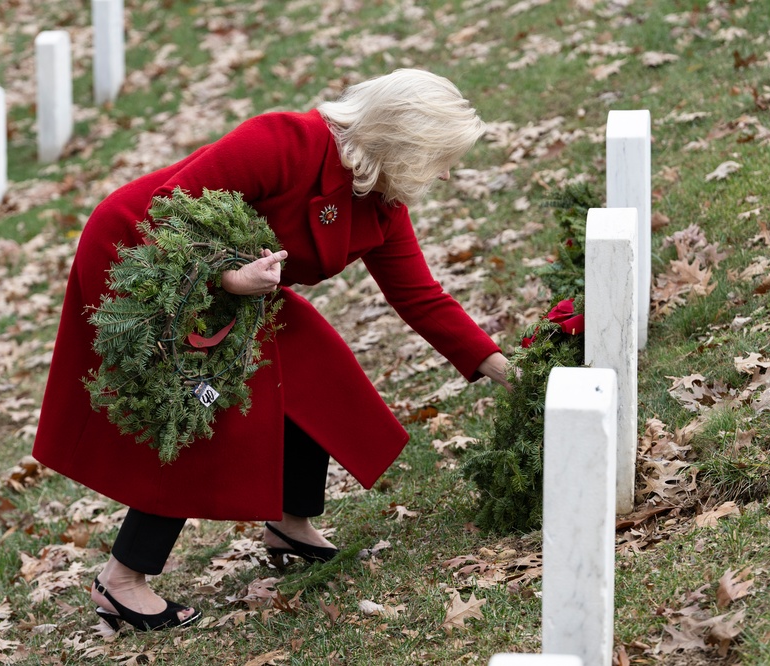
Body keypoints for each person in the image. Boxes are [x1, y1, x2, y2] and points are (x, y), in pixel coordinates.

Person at [32, 68, 511, 632]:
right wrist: (229, 279)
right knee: (205, 403)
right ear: (403, 143)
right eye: (440, 158)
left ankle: (289, 521)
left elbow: (421, 297)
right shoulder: (285, 141)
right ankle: (122, 581)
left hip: (236, 285)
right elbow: (170, 208)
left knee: (312, 369)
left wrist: (504, 367)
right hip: (144, 259)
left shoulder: (380, 201)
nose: (446, 174)